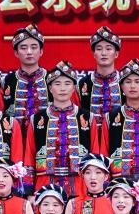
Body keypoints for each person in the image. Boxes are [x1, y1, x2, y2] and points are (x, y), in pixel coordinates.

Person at [28, 61, 92, 197]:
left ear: (74, 88)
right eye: (57, 84)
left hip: (80, 185)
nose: (62, 88)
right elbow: (29, 154)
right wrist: (29, 191)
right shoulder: (37, 119)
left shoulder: (87, 117)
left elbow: (95, 153)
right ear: (50, 88)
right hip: (44, 183)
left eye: (67, 84)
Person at [3, 24, 48, 122]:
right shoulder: (7, 80)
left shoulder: (51, 79)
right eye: (23, 48)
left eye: (34, 47)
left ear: (41, 51)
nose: (29, 52)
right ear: (16, 53)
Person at [78, 26, 123, 120]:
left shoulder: (125, 82)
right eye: (99, 49)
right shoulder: (82, 84)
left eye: (108, 49)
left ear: (116, 54)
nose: (103, 53)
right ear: (94, 54)